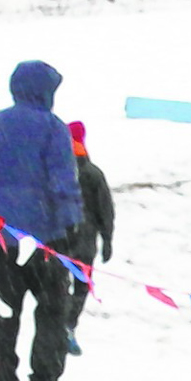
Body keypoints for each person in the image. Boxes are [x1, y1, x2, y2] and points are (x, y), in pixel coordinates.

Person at [0, 60, 84, 381]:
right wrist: (70, 225)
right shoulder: (53, 127)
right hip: (45, 236)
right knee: (51, 310)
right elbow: (63, 181)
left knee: (5, 309)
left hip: (1, 234)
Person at [63, 121, 115, 357]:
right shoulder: (93, 173)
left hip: (60, 239)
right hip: (85, 240)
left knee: (60, 284)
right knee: (81, 286)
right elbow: (106, 209)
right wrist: (107, 239)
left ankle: (60, 326)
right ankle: (68, 326)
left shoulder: (58, 171)